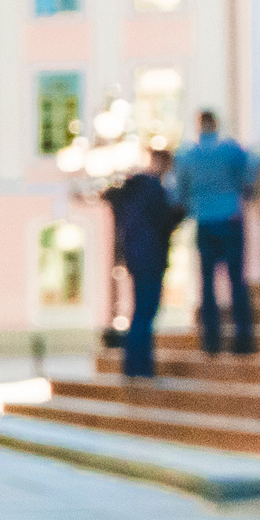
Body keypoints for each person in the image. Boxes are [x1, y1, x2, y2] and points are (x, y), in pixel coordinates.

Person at [170, 109, 260, 356]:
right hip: (231, 218)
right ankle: (243, 340)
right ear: (216, 125)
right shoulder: (230, 150)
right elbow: (253, 168)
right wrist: (246, 192)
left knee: (207, 285)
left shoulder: (188, 155)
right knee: (236, 281)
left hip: (205, 221)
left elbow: (179, 191)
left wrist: (190, 207)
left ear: (199, 126)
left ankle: (211, 341)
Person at [101, 145, 181, 378]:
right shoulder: (151, 189)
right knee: (146, 311)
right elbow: (162, 222)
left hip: (136, 256)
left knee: (142, 311)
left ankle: (135, 364)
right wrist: (178, 214)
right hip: (150, 256)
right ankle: (140, 365)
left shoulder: (133, 189)